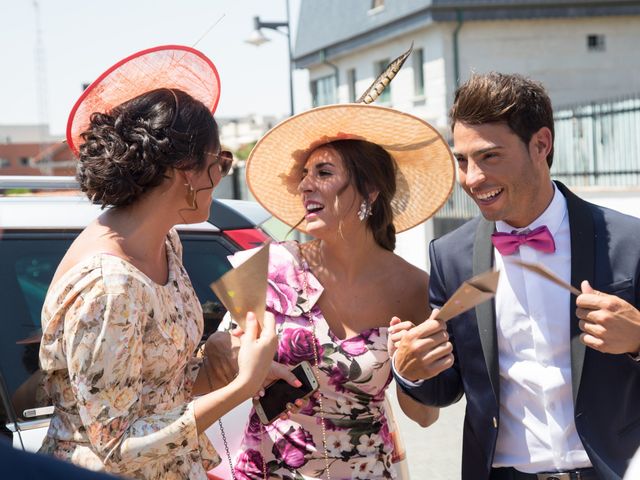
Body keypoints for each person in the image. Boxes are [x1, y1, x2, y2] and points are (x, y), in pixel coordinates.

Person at [37, 46, 278, 479]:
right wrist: (243, 386)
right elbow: (116, 446)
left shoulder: (167, 242)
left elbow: (157, 392)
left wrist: (216, 361)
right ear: (186, 172)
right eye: (219, 162)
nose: (221, 176)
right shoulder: (110, 285)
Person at [391, 72, 640, 480]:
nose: (471, 179)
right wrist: (410, 368)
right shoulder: (450, 258)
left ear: (541, 144)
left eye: (489, 156)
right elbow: (445, 388)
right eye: (462, 161)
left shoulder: (629, 242)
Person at [210, 100, 456, 479]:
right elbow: (213, 367)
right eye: (304, 173)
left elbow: (425, 416)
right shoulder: (264, 267)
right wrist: (242, 366)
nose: (305, 184)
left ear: (370, 191)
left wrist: (411, 373)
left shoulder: (415, 286)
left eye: (323, 172)